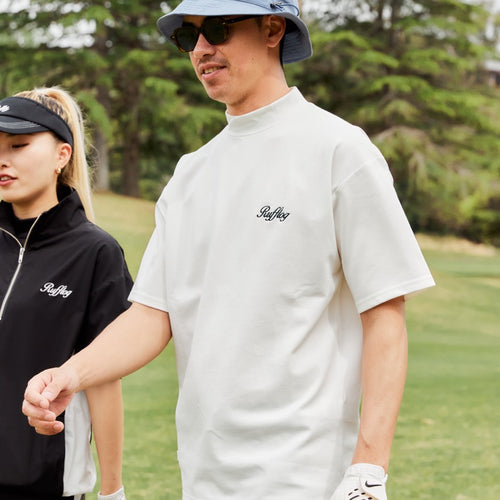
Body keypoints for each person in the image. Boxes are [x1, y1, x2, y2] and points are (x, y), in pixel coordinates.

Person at [22, 2, 436, 499]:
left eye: (217, 29)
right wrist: (71, 374)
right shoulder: (191, 174)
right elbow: (154, 314)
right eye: (188, 36)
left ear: (272, 29)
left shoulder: (339, 151)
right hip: (204, 476)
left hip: (310, 480)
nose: (200, 49)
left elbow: (385, 312)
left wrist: (369, 468)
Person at [0, 87, 131, 500]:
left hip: (43, 484)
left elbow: (104, 380)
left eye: (19, 145)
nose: (3, 160)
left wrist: (112, 490)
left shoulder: (96, 253)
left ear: (63, 155)